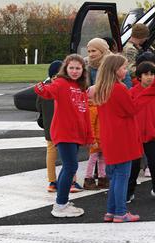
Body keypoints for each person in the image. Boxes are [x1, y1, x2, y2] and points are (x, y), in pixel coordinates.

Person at [33, 54, 93, 218]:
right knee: (70, 167)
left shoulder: (80, 87)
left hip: (75, 133)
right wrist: (41, 87)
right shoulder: (61, 83)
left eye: (78, 68)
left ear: (83, 70)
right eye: (71, 68)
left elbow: (84, 113)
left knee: (70, 167)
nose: (74, 71)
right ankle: (60, 205)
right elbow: (48, 92)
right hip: (64, 132)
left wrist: (88, 134)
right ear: (65, 69)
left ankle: (62, 201)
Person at [91, 54, 142, 223]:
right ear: (115, 70)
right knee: (122, 176)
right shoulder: (118, 88)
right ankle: (120, 211)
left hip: (109, 136)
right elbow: (132, 109)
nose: (126, 71)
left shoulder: (102, 89)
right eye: (124, 67)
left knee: (115, 176)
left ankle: (112, 211)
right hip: (123, 137)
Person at [127, 61, 155, 202]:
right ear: (139, 76)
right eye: (146, 74)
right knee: (133, 165)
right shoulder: (132, 92)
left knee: (154, 163)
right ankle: (129, 191)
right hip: (135, 135)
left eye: (152, 74)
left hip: (152, 134)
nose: (149, 77)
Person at [36, 60, 62, 193]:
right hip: (62, 126)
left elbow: (38, 106)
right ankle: (71, 181)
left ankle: (52, 181)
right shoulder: (63, 87)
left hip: (48, 125)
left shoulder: (44, 88)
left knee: (51, 152)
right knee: (68, 154)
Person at [81, 98, 106, 190]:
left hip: (102, 139)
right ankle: (88, 178)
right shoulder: (93, 109)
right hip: (96, 140)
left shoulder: (99, 108)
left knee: (102, 160)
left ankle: (102, 178)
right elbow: (91, 126)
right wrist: (93, 140)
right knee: (93, 160)